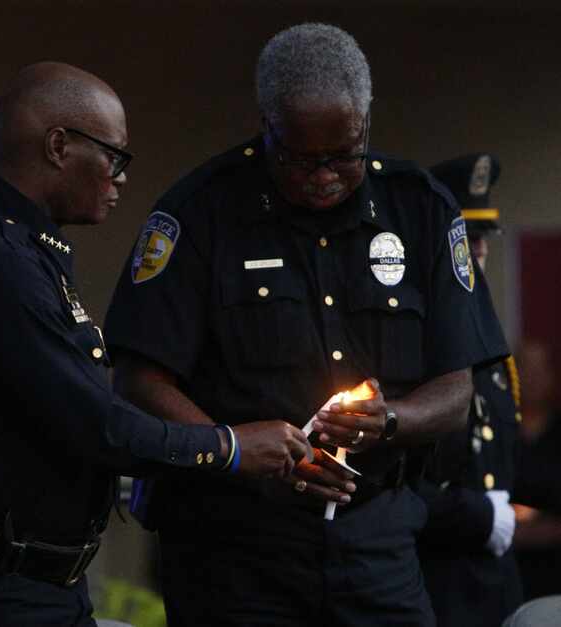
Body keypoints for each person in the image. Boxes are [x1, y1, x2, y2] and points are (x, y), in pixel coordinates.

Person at [103, 23, 508, 626]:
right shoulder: (200, 211)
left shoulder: (420, 207)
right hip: (234, 547)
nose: (323, 176)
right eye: (298, 159)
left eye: (343, 155)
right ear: (266, 123)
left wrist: (390, 421)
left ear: (366, 124)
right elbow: (139, 378)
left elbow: (456, 390)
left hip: (376, 541)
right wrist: (237, 450)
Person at [0, 61, 310, 627]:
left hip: (45, 584)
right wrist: (228, 447)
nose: (121, 177)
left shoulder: (31, 250)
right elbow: (100, 426)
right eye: (114, 156)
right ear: (58, 146)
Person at [416, 153, 523, 626]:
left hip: (495, 583)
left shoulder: (492, 347)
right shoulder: (419, 338)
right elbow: (392, 481)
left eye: (484, 238)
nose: (479, 249)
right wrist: (478, 515)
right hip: (436, 584)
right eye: (467, 237)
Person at [513, 340, 561, 600]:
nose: (531, 379)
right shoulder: (494, 435)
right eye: (523, 369)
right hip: (505, 571)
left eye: (539, 370)